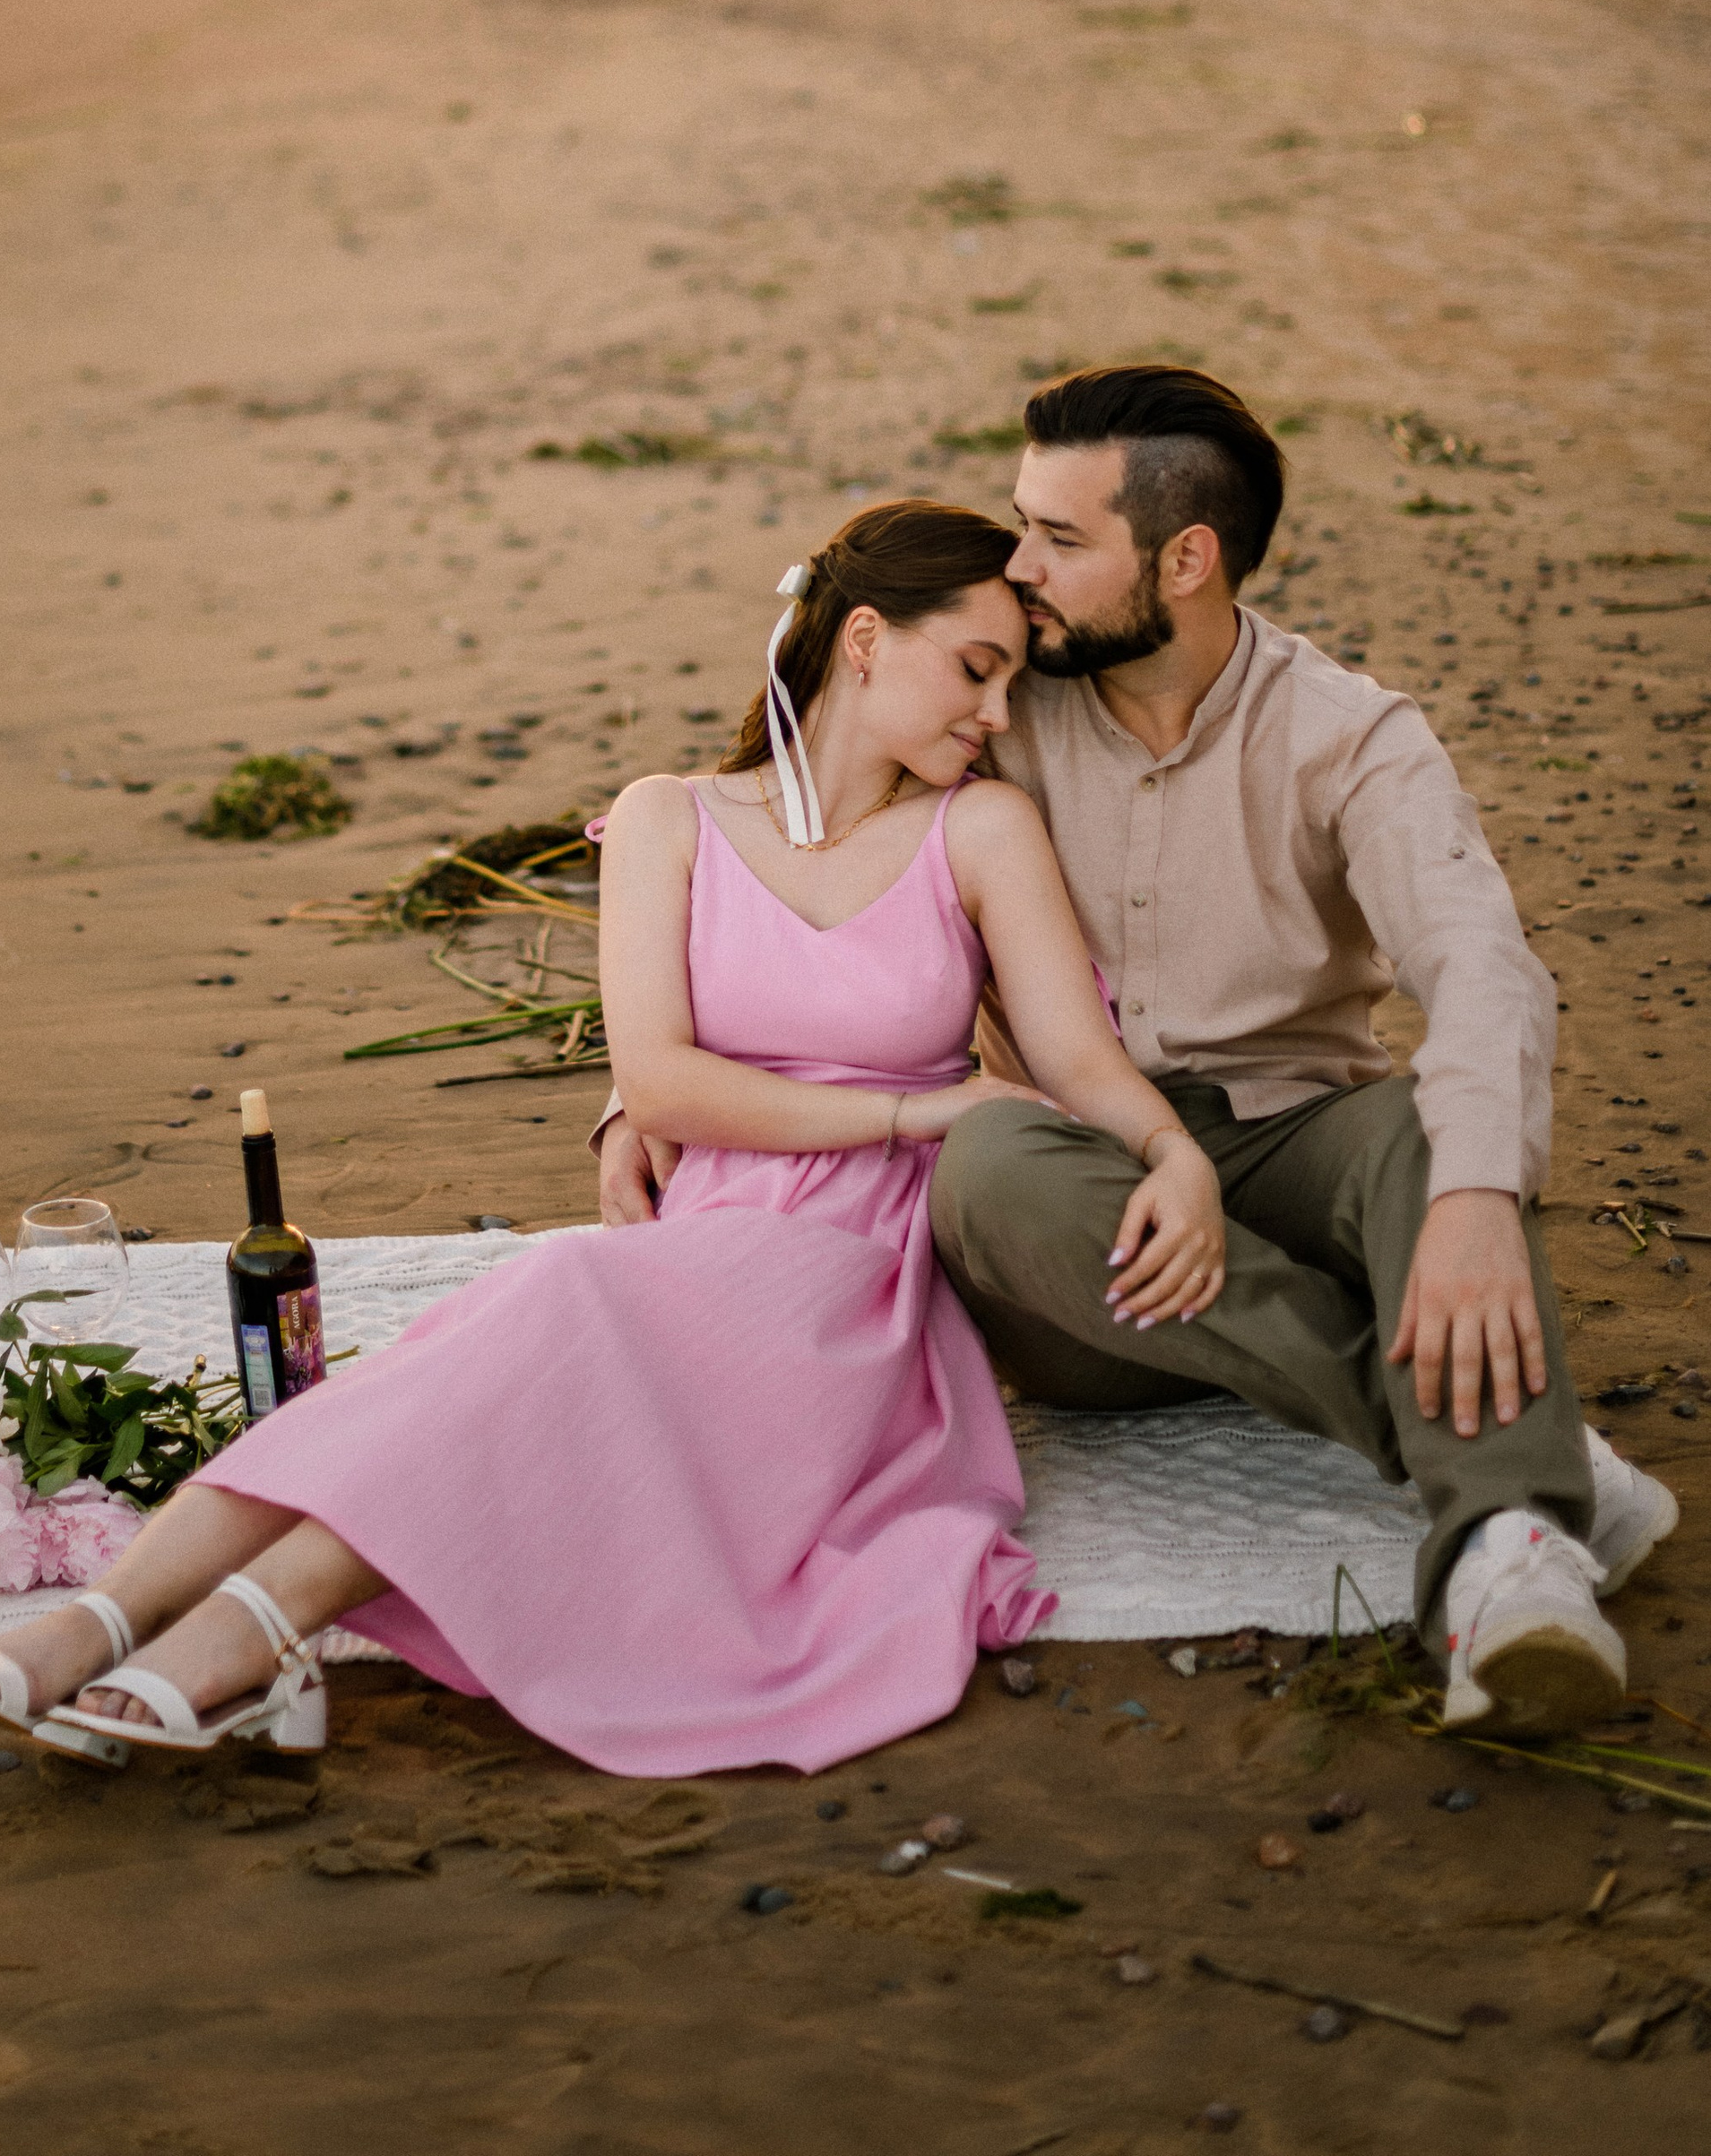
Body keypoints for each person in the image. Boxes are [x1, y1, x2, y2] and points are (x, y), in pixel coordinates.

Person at [0, 504, 1226, 1775]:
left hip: (859, 1274)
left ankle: (241, 1636)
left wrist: (1176, 1156)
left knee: (554, 1298)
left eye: (1011, 688)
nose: (997, 717)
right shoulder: (671, 818)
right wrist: (910, 1106)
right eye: (978, 671)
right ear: (869, 639)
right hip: (706, 1225)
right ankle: (91, 1625)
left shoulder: (977, 828)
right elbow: (657, 1085)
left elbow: (1076, 1061)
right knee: (468, 1362)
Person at [601, 367, 1680, 1737]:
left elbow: (1483, 970)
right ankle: (1535, 1464)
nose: (1017, 569)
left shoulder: (1349, 737)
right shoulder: (994, 702)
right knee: (988, 1159)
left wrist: (1474, 1193)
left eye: (1059, 540)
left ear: (1185, 559)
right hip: (1073, 1223)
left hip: (1295, 1142)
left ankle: (1510, 1565)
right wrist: (642, 1094)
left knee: (1428, 1133)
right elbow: (784, 846)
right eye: (1019, 523)